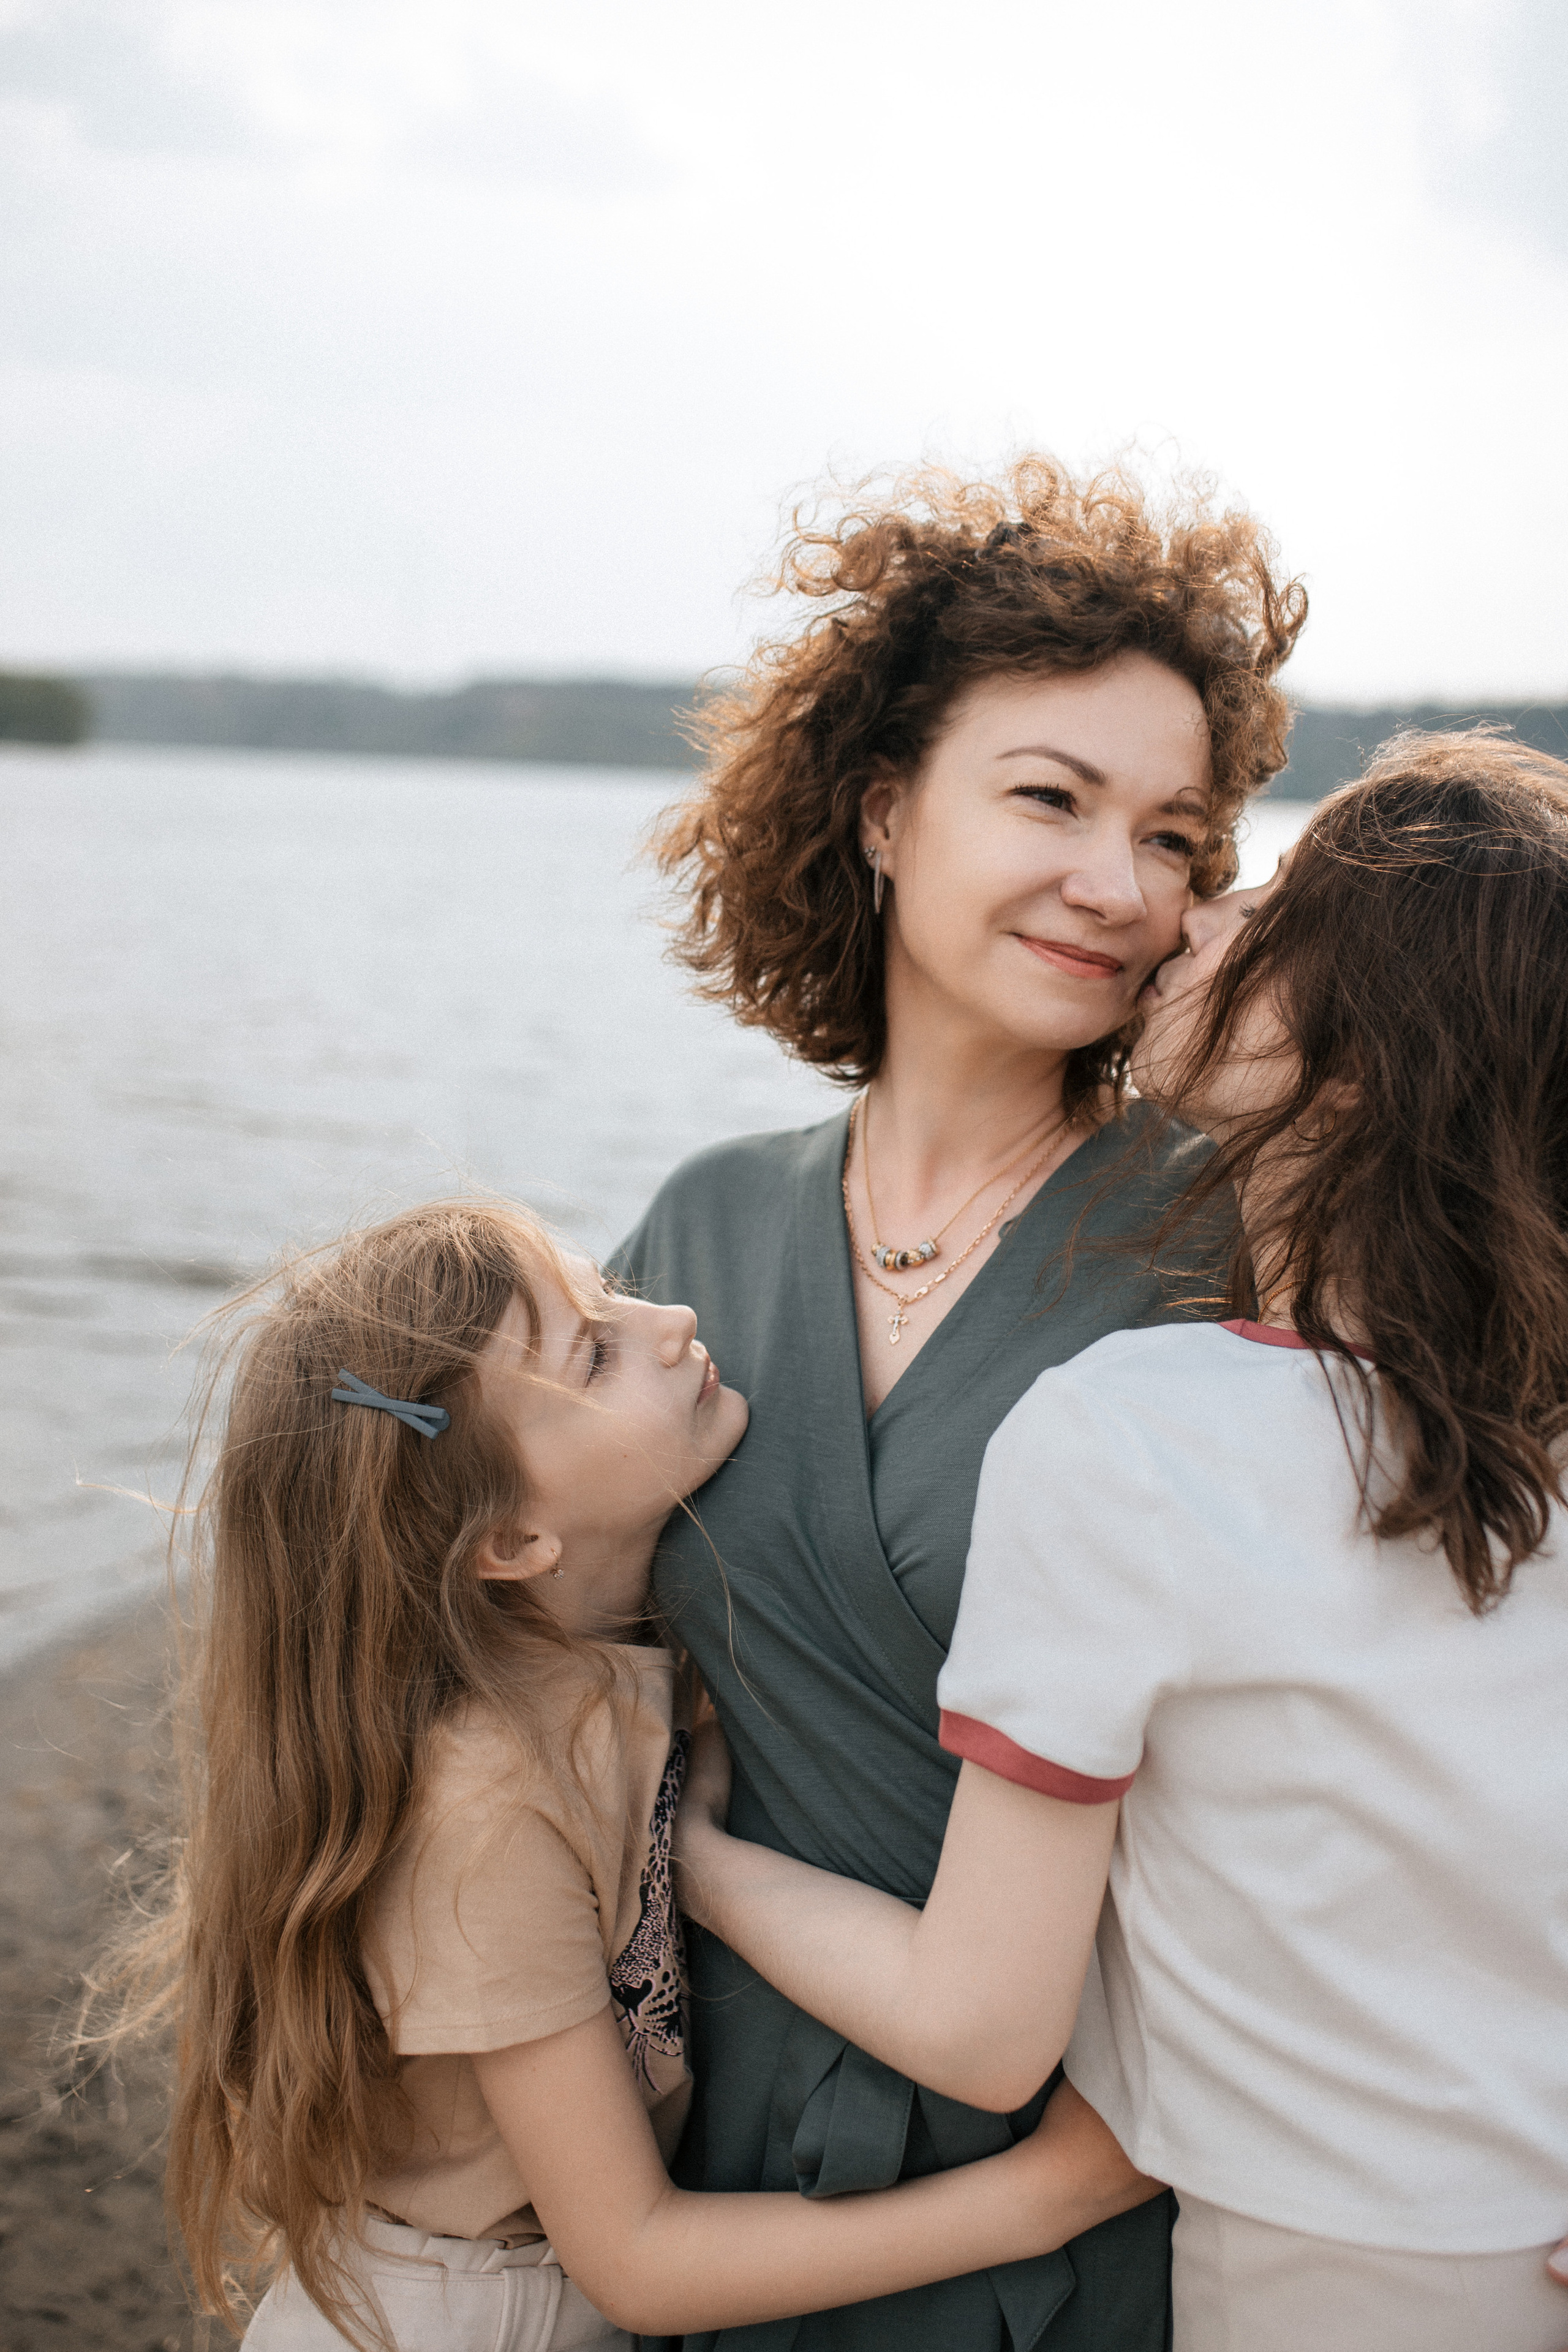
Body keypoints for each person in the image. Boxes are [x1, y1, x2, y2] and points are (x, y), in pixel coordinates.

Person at [673, 731, 1568, 2352]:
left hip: (1330, 2276)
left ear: (1360, 1059)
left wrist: (693, 1857)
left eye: (1271, 907)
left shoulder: (1139, 1433)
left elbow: (978, 2028)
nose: (1196, 911)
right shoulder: (1532, 1433)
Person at [613, 456, 1305, 2350]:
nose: (1120, 885)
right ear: (885, 810)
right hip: (720, 2144)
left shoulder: (1249, 1242)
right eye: (1052, 799)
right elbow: (538, 1656)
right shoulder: (701, 1226)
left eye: (1177, 837)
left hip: (1114, 2157)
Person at [94, 1200, 1159, 2352]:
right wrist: (1056, 2193)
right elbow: (636, 2259)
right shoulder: (490, 1805)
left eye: (609, 1291)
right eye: (594, 1353)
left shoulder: (622, 1673)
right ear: (508, 1544)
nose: (677, 1318)